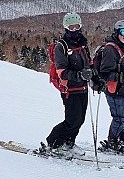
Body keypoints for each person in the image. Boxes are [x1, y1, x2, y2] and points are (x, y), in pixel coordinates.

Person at [44, 13, 93, 156]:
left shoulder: (82, 43)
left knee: (80, 120)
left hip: (83, 88)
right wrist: (79, 75)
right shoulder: (62, 46)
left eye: (76, 26)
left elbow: (88, 63)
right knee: (72, 120)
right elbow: (62, 72)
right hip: (70, 89)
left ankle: (69, 142)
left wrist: (95, 77)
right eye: (71, 27)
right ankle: (53, 143)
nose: (74, 29)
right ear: (66, 28)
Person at [94, 20, 124, 154]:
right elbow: (105, 73)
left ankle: (121, 140)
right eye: (123, 32)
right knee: (119, 118)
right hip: (115, 91)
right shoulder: (110, 49)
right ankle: (112, 142)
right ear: (117, 33)